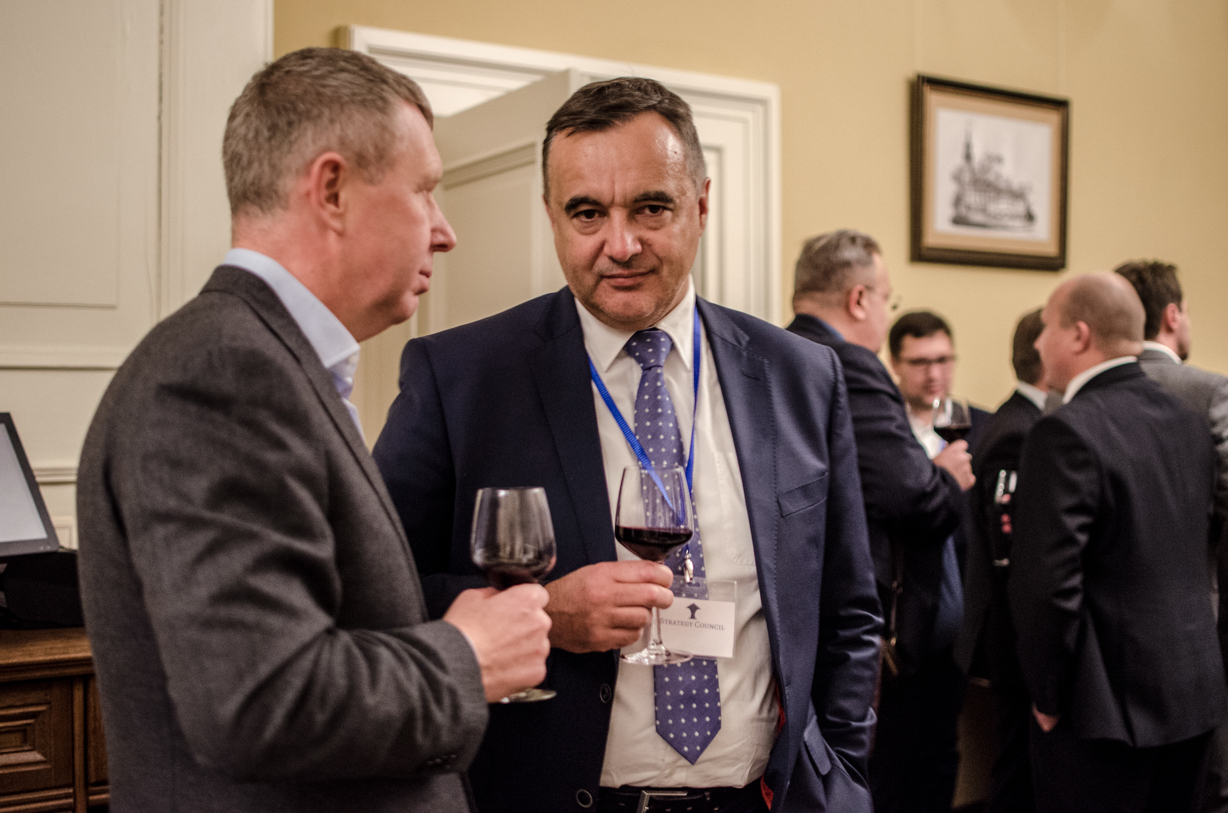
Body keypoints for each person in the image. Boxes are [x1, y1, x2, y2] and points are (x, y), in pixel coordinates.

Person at [372, 77, 881, 813]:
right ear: (551, 216)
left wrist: (844, 774)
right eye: (587, 212)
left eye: (651, 207)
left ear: (700, 204)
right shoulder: (461, 378)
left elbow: (848, 608)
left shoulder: (800, 375)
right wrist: (543, 611)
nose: (621, 244)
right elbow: (377, 594)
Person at [75, 48, 553, 813]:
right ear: (332, 190)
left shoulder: (271, 363)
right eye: (425, 190)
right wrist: (468, 654)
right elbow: (260, 699)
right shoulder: (221, 373)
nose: (445, 231)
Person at [1010, 273, 1226, 813]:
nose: (1039, 343)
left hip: (1103, 708)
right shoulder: (1188, 421)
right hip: (1194, 693)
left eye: (1046, 328)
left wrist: (1047, 694)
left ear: (1079, 335)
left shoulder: (1064, 430)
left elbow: (1048, 584)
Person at [785, 230, 975, 813]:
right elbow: (915, 497)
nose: (885, 313)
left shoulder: (773, 353)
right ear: (860, 299)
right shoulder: (851, 364)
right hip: (862, 637)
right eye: (888, 300)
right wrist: (947, 475)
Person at [1113, 260, 1228, 813]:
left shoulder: (1076, 398)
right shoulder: (1208, 390)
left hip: (1106, 631)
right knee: (1204, 782)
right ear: (1173, 314)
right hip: (1198, 614)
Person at [955, 308, 1048, 813]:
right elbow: (1007, 550)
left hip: (1015, 631)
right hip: (1012, 635)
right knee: (1018, 770)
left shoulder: (1023, 420)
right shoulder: (1018, 429)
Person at [888, 310, 988, 458]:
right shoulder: (879, 427)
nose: (934, 375)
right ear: (894, 363)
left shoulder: (987, 427)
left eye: (942, 360)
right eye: (920, 362)